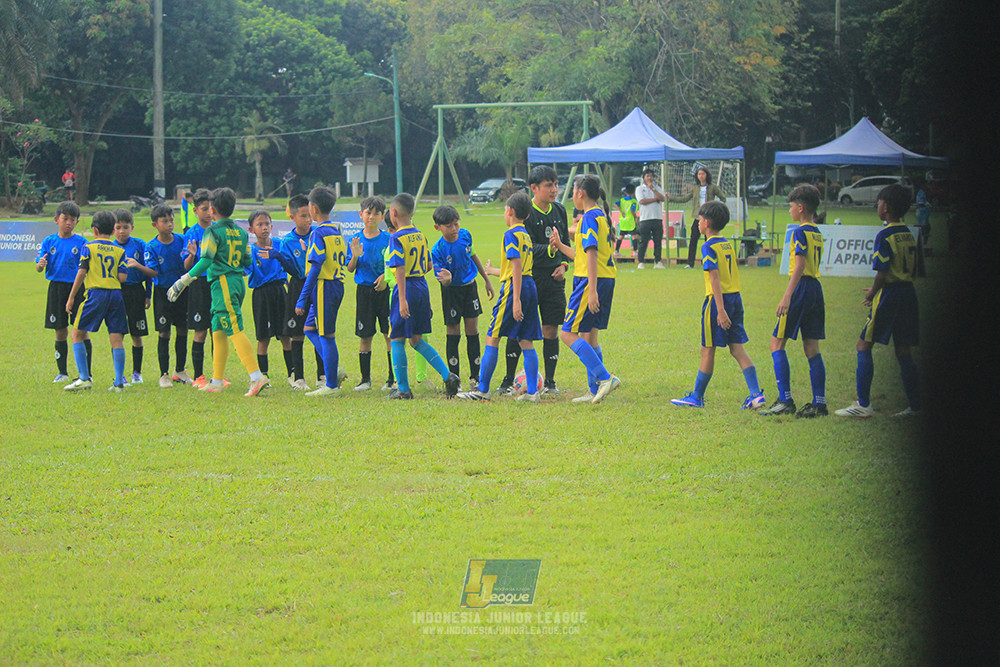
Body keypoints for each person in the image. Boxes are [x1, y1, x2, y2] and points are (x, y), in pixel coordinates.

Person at [166, 187, 270, 397]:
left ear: (212, 210)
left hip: (223, 282)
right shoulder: (241, 232)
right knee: (218, 329)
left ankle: (256, 376)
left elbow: (205, 260)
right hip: (236, 283)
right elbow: (248, 260)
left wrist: (183, 280)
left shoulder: (211, 232)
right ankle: (216, 380)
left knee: (234, 328)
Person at [835, 184, 921, 418]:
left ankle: (863, 405)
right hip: (908, 294)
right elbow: (916, 270)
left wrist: (873, 291)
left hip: (890, 295)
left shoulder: (885, 235)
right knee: (903, 350)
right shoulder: (910, 234)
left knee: (863, 344)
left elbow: (882, 272)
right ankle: (916, 406)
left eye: (880, 202)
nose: (877, 206)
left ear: (887, 208)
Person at [670, 201, 765, 409]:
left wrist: (720, 310)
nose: (697, 223)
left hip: (717, 301)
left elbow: (714, 278)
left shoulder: (708, 246)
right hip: (735, 298)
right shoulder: (727, 244)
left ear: (707, 223)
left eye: (700, 220)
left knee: (708, 350)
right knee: (737, 348)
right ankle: (756, 394)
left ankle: (696, 397)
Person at [457, 192, 540, 402]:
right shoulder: (526, 235)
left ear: (510, 211)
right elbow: (517, 268)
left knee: (492, 336)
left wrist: (517, 299)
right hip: (530, 285)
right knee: (525, 340)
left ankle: (482, 389)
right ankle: (532, 392)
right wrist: (494, 271)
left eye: (504, 209)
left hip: (515, 289)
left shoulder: (510, 234)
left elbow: (516, 266)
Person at [548, 174, 621, 404]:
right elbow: (582, 254)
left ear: (580, 193)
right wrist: (560, 246)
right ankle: (594, 390)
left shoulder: (589, 217)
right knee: (590, 336)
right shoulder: (601, 216)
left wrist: (591, 290)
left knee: (568, 333)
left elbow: (591, 254)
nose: (571, 196)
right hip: (605, 278)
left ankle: (604, 378)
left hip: (591, 281)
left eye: (573, 192)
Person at [498, 166, 570, 395]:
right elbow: (527, 248)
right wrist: (551, 251)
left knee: (551, 328)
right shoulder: (525, 212)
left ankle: (549, 382)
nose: (554, 189)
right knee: (518, 329)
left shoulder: (560, 210)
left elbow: (565, 244)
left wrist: (563, 265)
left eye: (556, 184)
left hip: (554, 281)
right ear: (534, 188)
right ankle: (508, 381)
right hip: (529, 279)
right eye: (549, 185)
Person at [384, 192, 461, 399]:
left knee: (397, 339)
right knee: (416, 339)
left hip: (406, 287)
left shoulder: (396, 237)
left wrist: (401, 299)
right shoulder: (420, 235)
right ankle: (449, 376)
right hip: (421, 286)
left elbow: (399, 268)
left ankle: (403, 389)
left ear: (393, 213)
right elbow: (428, 265)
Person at [759, 185, 827, 417]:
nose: (789, 212)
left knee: (776, 344)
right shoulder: (817, 231)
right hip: (815, 289)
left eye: (790, 207)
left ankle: (785, 400)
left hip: (800, 288)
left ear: (800, 208)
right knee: (811, 347)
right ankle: (819, 403)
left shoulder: (799, 232)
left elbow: (799, 265)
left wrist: (787, 295)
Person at [63, 210, 129, 391]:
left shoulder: (88, 247)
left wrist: (71, 297)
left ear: (94, 229)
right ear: (114, 230)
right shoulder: (119, 250)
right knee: (116, 339)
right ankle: (118, 383)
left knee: (76, 333)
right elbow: (123, 277)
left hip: (96, 294)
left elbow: (82, 272)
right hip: (115, 294)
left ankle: (84, 378)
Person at [431, 204, 495, 390]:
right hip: (451, 292)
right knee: (453, 332)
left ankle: (475, 377)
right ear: (438, 227)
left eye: (456, 224)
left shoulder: (465, 235)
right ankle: (454, 379)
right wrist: (448, 280)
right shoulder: (438, 250)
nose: (454, 229)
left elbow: (474, 256)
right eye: (449, 226)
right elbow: (441, 279)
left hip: (470, 288)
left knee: (472, 330)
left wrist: (486, 280)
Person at [294, 186, 348, 396]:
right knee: (309, 328)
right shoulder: (335, 231)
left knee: (327, 335)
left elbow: (316, 268)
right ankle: (333, 369)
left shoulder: (318, 233)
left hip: (325, 286)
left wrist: (301, 298)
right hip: (335, 285)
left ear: (313, 208)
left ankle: (331, 386)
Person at [36, 201, 90, 383]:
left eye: (72, 219)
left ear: (77, 222)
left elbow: (86, 268)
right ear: (56, 219)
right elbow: (39, 265)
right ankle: (63, 373)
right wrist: (40, 265)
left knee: (82, 330)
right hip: (56, 289)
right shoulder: (49, 242)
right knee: (60, 330)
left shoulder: (82, 243)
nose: (68, 222)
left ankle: (86, 372)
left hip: (77, 288)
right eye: (65, 218)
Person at [346, 196, 394, 391]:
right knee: (365, 336)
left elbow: (395, 264)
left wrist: (385, 276)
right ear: (361, 215)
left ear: (383, 217)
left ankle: (392, 379)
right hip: (364, 292)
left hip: (385, 291)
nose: (371, 217)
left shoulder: (388, 239)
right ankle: (365, 380)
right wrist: (355, 256)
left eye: (376, 213)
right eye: (368, 212)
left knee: (389, 333)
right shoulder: (355, 239)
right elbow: (350, 269)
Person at [140, 204, 190, 388]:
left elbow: (187, 265)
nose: (170, 224)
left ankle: (180, 370)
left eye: (171, 220)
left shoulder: (182, 240)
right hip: (162, 293)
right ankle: (164, 374)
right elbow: (153, 272)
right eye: (165, 221)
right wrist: (138, 267)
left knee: (182, 329)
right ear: (155, 224)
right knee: (164, 332)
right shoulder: (151, 246)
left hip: (182, 290)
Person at [246, 210, 294, 381]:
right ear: (251, 230)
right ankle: (263, 376)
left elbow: (289, 268)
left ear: (272, 226)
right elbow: (243, 270)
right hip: (261, 294)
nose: (264, 228)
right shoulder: (250, 251)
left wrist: (292, 292)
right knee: (263, 337)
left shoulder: (279, 245)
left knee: (285, 334)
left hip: (280, 292)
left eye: (267, 224)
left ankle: (292, 373)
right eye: (260, 225)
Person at [280, 194, 322, 390]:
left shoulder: (317, 235)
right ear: (293, 217)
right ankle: (299, 378)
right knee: (297, 334)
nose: (308, 220)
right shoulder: (287, 241)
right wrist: (306, 255)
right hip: (297, 287)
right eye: (303, 216)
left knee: (319, 330)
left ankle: (322, 376)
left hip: (318, 286)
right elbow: (296, 271)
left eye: (309, 216)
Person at [112, 208, 152, 385]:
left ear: (132, 227)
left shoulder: (140, 245)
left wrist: (148, 294)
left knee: (137, 334)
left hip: (136, 291)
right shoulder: (110, 247)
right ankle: (119, 374)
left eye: (125, 227)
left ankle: (137, 372)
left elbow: (149, 272)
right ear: (113, 229)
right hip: (117, 293)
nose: (122, 231)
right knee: (117, 333)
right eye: (118, 227)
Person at [180, 188, 213, 387]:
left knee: (217, 330)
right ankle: (199, 376)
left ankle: (218, 375)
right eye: (204, 209)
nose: (208, 213)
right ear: (195, 210)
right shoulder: (191, 233)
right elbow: (186, 266)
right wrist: (192, 255)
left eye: (210, 208)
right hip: (199, 285)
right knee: (200, 330)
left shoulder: (217, 229)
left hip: (217, 282)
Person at [669, 165, 727, 269]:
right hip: (698, 217)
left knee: (709, 240)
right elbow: (685, 198)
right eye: (699, 174)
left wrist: (715, 209)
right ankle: (690, 263)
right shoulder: (695, 188)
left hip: (709, 217)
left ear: (707, 175)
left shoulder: (712, 187)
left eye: (703, 174)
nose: (701, 176)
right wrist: (671, 198)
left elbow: (723, 198)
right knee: (693, 240)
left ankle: (711, 261)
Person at [634, 167, 666, 269]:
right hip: (645, 218)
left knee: (657, 241)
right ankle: (641, 261)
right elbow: (642, 201)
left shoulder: (657, 187)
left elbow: (662, 198)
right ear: (644, 177)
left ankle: (657, 261)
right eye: (647, 176)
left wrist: (653, 189)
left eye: (651, 176)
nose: (650, 178)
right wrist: (654, 199)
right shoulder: (640, 189)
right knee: (644, 241)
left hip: (657, 217)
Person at [614, 180, 639, 258]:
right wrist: (636, 217)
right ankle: (635, 251)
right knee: (634, 236)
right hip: (630, 221)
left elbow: (615, 204)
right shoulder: (633, 201)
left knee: (621, 236)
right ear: (633, 192)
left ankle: (616, 251)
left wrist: (621, 211)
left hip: (623, 221)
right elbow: (632, 210)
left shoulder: (622, 200)